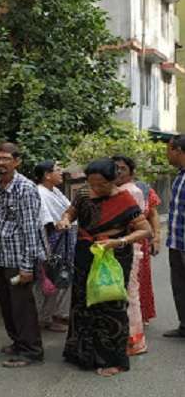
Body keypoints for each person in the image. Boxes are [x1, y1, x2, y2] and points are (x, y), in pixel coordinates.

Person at [58, 158, 151, 377]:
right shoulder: (82, 194)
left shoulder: (125, 200)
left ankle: (113, 360)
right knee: (82, 302)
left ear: (114, 180)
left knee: (110, 306)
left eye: (102, 184)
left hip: (113, 256)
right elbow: (71, 212)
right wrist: (64, 220)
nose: (96, 188)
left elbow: (145, 230)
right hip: (85, 253)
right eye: (92, 183)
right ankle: (80, 354)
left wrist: (118, 242)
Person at [0, 142, 44, 368]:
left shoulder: (25, 188)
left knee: (22, 308)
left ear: (17, 161)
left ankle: (31, 351)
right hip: (0, 257)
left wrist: (27, 266)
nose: (0, 163)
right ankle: (18, 343)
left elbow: (30, 229)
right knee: (7, 306)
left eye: (5, 158)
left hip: (19, 259)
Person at [32, 160, 75, 333]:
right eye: (57, 170)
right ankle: (44, 318)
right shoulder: (40, 192)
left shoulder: (55, 190)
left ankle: (54, 314)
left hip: (62, 241)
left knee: (61, 278)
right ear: (47, 175)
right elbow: (46, 222)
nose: (61, 172)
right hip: (51, 244)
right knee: (48, 280)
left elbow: (68, 210)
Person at [112, 155, 147, 356]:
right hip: (117, 249)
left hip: (128, 248)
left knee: (130, 295)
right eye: (115, 168)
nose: (118, 172)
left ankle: (134, 342)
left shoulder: (131, 191)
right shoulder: (117, 190)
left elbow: (135, 225)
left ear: (131, 172)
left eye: (122, 169)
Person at [165, 134, 185, 338]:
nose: (166, 154)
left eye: (168, 149)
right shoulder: (180, 175)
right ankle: (184, 325)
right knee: (179, 286)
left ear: (178, 150)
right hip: (176, 242)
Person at [134, 179, 161, 324]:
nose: (119, 172)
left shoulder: (143, 188)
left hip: (141, 241)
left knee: (141, 279)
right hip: (116, 241)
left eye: (123, 168)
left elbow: (153, 213)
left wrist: (156, 237)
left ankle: (141, 314)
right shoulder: (108, 187)